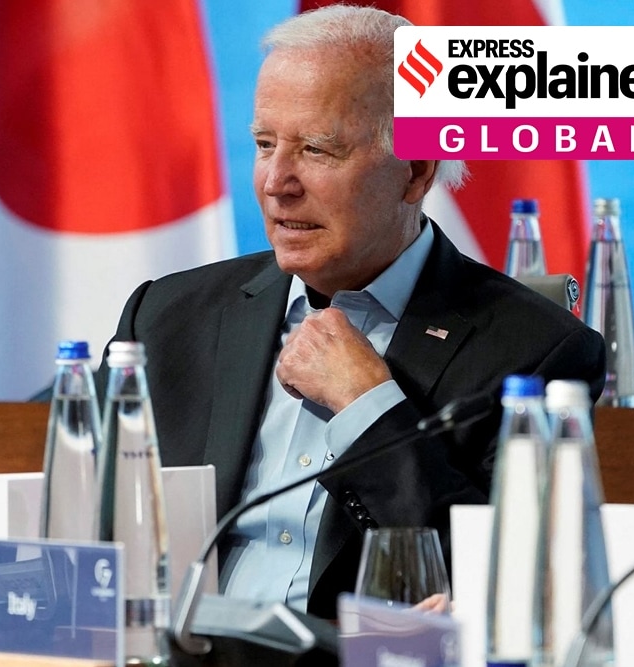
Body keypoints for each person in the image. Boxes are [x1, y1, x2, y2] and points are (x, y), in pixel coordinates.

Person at [99, 4, 605, 624]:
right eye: (265, 145)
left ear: (415, 172)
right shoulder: (167, 316)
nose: (276, 182)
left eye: (317, 149)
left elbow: (508, 586)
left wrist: (369, 407)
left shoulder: (538, 351)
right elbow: (93, 535)